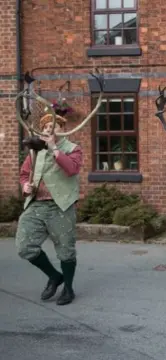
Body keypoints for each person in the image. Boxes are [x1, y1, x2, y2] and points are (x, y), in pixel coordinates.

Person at [16, 114, 83, 306]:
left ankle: (68, 289)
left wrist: (54, 148)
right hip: (36, 204)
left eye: (54, 126)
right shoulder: (34, 152)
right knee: (24, 246)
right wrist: (25, 186)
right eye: (46, 127)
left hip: (60, 205)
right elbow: (24, 174)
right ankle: (54, 276)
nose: (49, 130)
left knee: (65, 251)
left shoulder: (72, 149)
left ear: (63, 129)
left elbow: (72, 169)